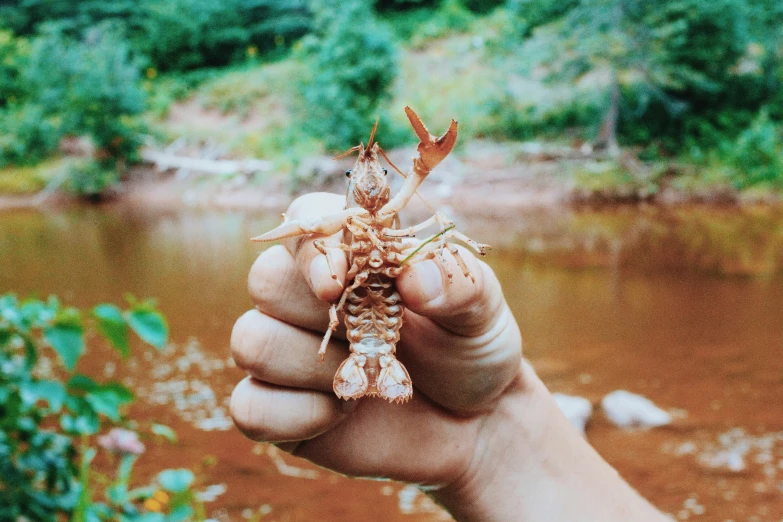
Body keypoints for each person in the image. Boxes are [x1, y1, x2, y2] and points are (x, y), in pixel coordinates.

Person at [229, 192, 668, 521]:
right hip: (363, 332)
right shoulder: (341, 226)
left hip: (383, 337)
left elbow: (439, 230)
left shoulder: (404, 221)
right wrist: (491, 435)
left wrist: (489, 436)